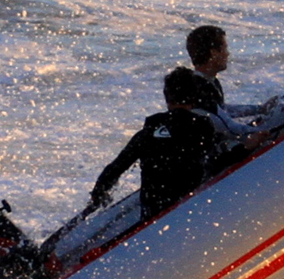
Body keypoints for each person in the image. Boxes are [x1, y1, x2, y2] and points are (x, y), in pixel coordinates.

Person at [87, 67, 227, 219]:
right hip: (188, 211)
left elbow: (115, 168)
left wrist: (99, 194)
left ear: (166, 97)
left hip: (151, 214)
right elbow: (219, 160)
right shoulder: (203, 128)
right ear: (195, 97)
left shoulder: (147, 133)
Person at [171, 25, 269, 140]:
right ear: (214, 53)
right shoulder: (199, 88)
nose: (227, 54)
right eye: (225, 49)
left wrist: (260, 109)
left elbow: (222, 111)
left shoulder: (207, 81)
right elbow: (231, 130)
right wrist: (269, 130)